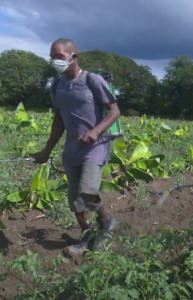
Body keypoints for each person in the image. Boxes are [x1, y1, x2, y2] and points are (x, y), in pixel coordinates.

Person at [31, 38, 121, 256]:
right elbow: (58, 122)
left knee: (87, 191)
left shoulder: (92, 80)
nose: (55, 61)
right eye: (52, 56)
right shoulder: (56, 87)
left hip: (96, 145)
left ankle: (106, 223)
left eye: (59, 56)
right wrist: (46, 150)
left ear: (73, 57)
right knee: (74, 198)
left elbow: (114, 112)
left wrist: (96, 131)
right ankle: (88, 235)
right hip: (72, 148)